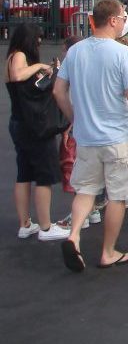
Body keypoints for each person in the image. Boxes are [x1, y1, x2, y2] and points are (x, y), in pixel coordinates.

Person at [53, 0, 128, 271]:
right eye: (123, 17)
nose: (125, 22)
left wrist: (75, 120)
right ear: (112, 20)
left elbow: (58, 91)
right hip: (117, 136)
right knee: (118, 195)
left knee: (86, 189)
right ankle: (108, 251)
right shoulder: (123, 54)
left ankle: (74, 235)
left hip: (87, 136)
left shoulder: (75, 51)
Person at [6, 22, 68, 241]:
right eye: (37, 38)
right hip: (34, 126)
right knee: (44, 175)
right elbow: (17, 76)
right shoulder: (19, 55)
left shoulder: (14, 55)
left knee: (24, 173)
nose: (40, 41)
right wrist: (41, 66)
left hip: (20, 122)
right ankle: (45, 227)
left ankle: (26, 224)